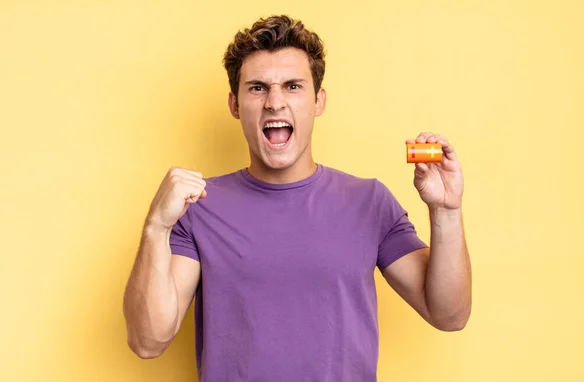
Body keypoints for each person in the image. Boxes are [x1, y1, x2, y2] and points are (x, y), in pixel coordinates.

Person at [123, 14, 471, 381]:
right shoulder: (199, 207)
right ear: (235, 104)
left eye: (292, 86)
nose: (275, 102)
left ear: (318, 100)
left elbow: (449, 315)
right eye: (257, 87)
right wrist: (155, 227)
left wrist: (446, 211)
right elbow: (148, 341)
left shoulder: (369, 202)